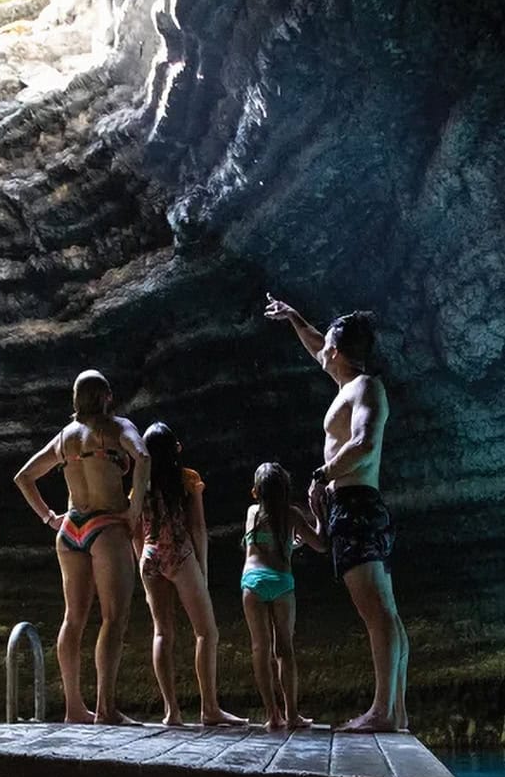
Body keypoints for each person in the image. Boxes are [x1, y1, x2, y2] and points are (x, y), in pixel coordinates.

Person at [265, 294, 409, 732]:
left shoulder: (365, 388)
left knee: (377, 613)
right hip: (351, 506)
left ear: (339, 352)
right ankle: (396, 710)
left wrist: (321, 474)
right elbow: (316, 345)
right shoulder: (346, 384)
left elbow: (363, 443)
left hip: (357, 506)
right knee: (385, 612)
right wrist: (294, 317)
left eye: (327, 345)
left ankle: (382, 711)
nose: (321, 350)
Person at [14, 369, 150, 725]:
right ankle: (105, 709)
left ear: (76, 399)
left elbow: (24, 477)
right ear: (107, 396)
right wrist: (134, 510)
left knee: (73, 618)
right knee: (113, 617)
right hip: (106, 525)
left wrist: (49, 518)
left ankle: (74, 706)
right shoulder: (118, 428)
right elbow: (143, 457)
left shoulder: (65, 437)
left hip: (71, 528)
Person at [134, 422, 245, 727]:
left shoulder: (140, 485)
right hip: (179, 553)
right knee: (207, 632)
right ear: (175, 449)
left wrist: (141, 563)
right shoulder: (187, 479)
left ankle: (171, 711)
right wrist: (202, 568)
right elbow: (197, 526)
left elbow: (135, 529)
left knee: (162, 632)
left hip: (150, 555)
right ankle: (209, 707)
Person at [241, 462, 327, 730]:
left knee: (260, 648)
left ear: (256, 492)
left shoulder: (252, 512)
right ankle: (291, 715)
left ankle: (272, 715)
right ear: (285, 490)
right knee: (284, 649)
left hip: (252, 582)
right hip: (281, 582)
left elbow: (262, 542)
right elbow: (321, 545)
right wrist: (319, 516)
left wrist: (288, 542)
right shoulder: (292, 514)